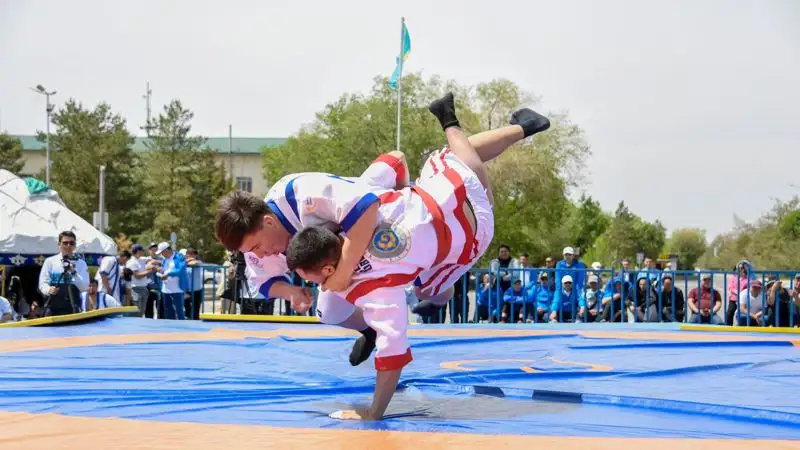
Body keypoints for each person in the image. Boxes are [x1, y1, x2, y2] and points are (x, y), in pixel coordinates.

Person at [214, 100, 549, 367]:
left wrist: (344, 270)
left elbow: (368, 206)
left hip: (386, 219)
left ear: (268, 222)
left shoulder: (302, 193)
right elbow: (265, 281)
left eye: (257, 246)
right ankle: (372, 328)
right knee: (327, 311)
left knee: (452, 177)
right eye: (251, 253)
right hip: (364, 247)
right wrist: (292, 293)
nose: (258, 256)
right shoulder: (253, 246)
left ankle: (517, 128)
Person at [284, 92, 550, 420]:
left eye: (310, 279)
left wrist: (373, 412)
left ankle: (460, 125)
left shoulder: (376, 289)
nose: (312, 286)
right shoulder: (356, 215)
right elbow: (390, 164)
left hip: (470, 232)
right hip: (443, 189)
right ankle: (486, 127)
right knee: (449, 156)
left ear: (326, 267)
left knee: (430, 286)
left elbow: (392, 351)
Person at [37, 231, 90, 316]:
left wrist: (73, 272)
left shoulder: (81, 263)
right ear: (59, 244)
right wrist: (48, 289)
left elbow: (84, 287)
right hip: (52, 309)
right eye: (65, 243)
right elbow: (42, 283)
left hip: (73, 310)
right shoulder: (50, 261)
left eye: (71, 243)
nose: (68, 246)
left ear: (75, 245)